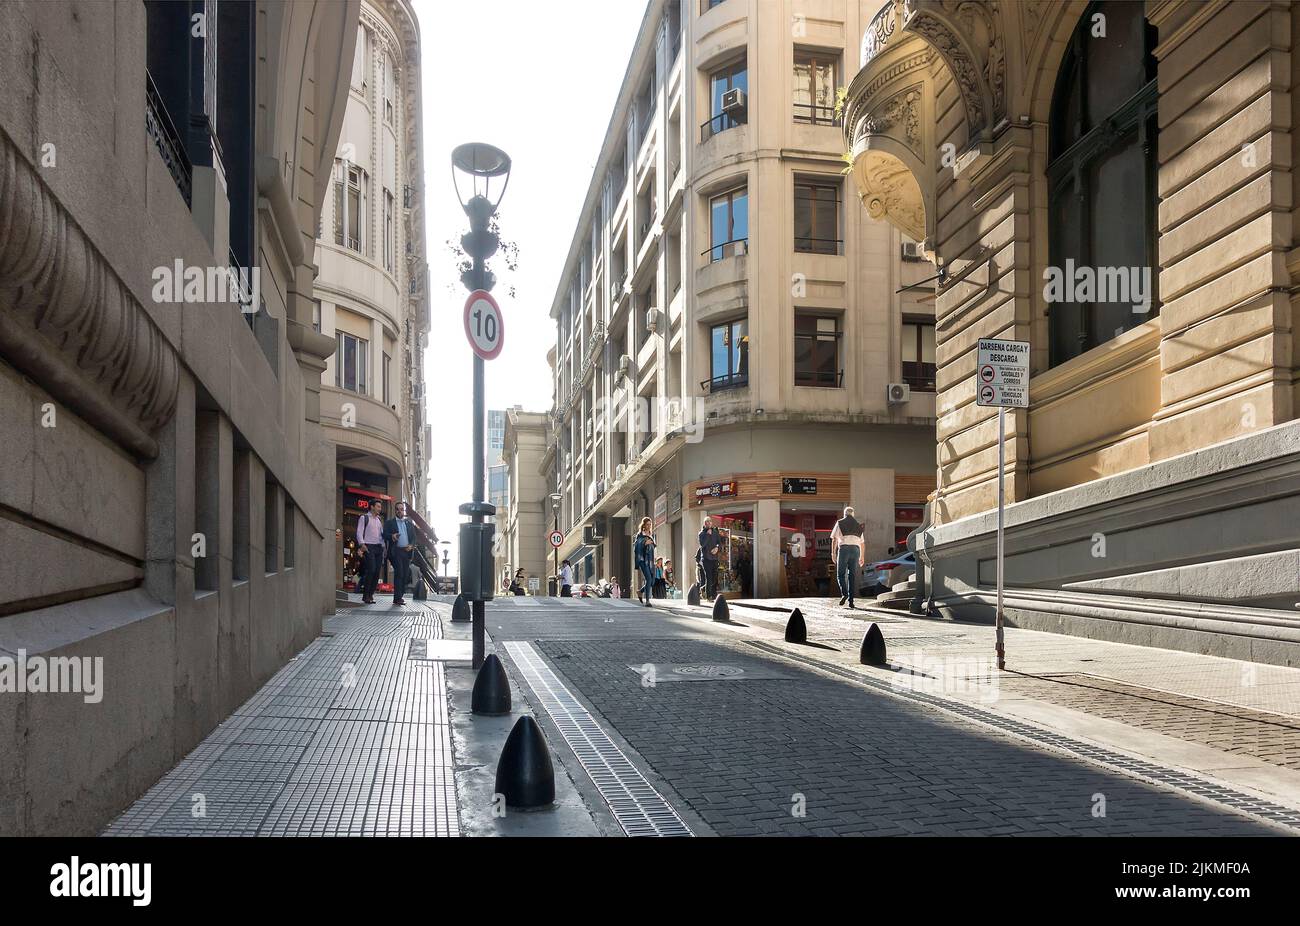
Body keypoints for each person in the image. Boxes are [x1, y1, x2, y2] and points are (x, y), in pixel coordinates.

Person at [830, 505, 865, 608]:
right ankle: (851, 601)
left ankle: (844, 594)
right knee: (852, 576)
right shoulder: (858, 525)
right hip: (855, 550)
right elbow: (862, 543)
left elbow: (834, 539)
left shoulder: (840, 522)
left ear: (844, 514)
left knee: (840, 574)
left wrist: (833, 553)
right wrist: (862, 557)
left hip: (844, 549)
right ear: (853, 514)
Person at [384, 501, 417, 606]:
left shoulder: (409, 523)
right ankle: (397, 598)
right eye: (397, 509)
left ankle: (400, 596)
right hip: (396, 551)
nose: (399, 511)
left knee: (405, 574)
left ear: (404, 511)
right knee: (399, 573)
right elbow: (384, 534)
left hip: (406, 552)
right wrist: (392, 536)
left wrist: (411, 546)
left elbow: (414, 538)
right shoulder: (390, 523)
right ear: (395, 510)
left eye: (401, 509)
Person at [354, 501, 386, 605]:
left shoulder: (379, 520)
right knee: (371, 570)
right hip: (369, 547)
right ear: (372, 507)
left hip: (378, 548)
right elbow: (359, 532)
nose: (380, 509)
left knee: (377, 572)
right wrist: (362, 544)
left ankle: (371, 594)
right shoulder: (364, 518)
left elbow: (381, 536)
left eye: (380, 507)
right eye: (378, 506)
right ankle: (366, 595)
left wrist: (383, 546)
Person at [633, 516, 657, 607]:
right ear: (644, 525)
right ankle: (647, 600)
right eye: (647, 524)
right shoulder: (640, 535)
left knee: (652, 581)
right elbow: (636, 546)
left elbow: (654, 547)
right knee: (649, 579)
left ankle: (640, 591)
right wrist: (644, 543)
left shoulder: (651, 535)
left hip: (651, 560)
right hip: (643, 560)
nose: (649, 526)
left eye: (650, 524)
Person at [698, 517, 723, 599]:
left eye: (710, 521)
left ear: (712, 523)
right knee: (708, 577)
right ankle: (710, 596)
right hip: (706, 559)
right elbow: (702, 545)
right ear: (704, 524)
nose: (709, 523)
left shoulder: (715, 532)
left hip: (714, 558)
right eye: (707, 522)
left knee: (714, 578)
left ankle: (703, 589)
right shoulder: (701, 534)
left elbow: (719, 544)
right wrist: (708, 535)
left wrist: (717, 548)